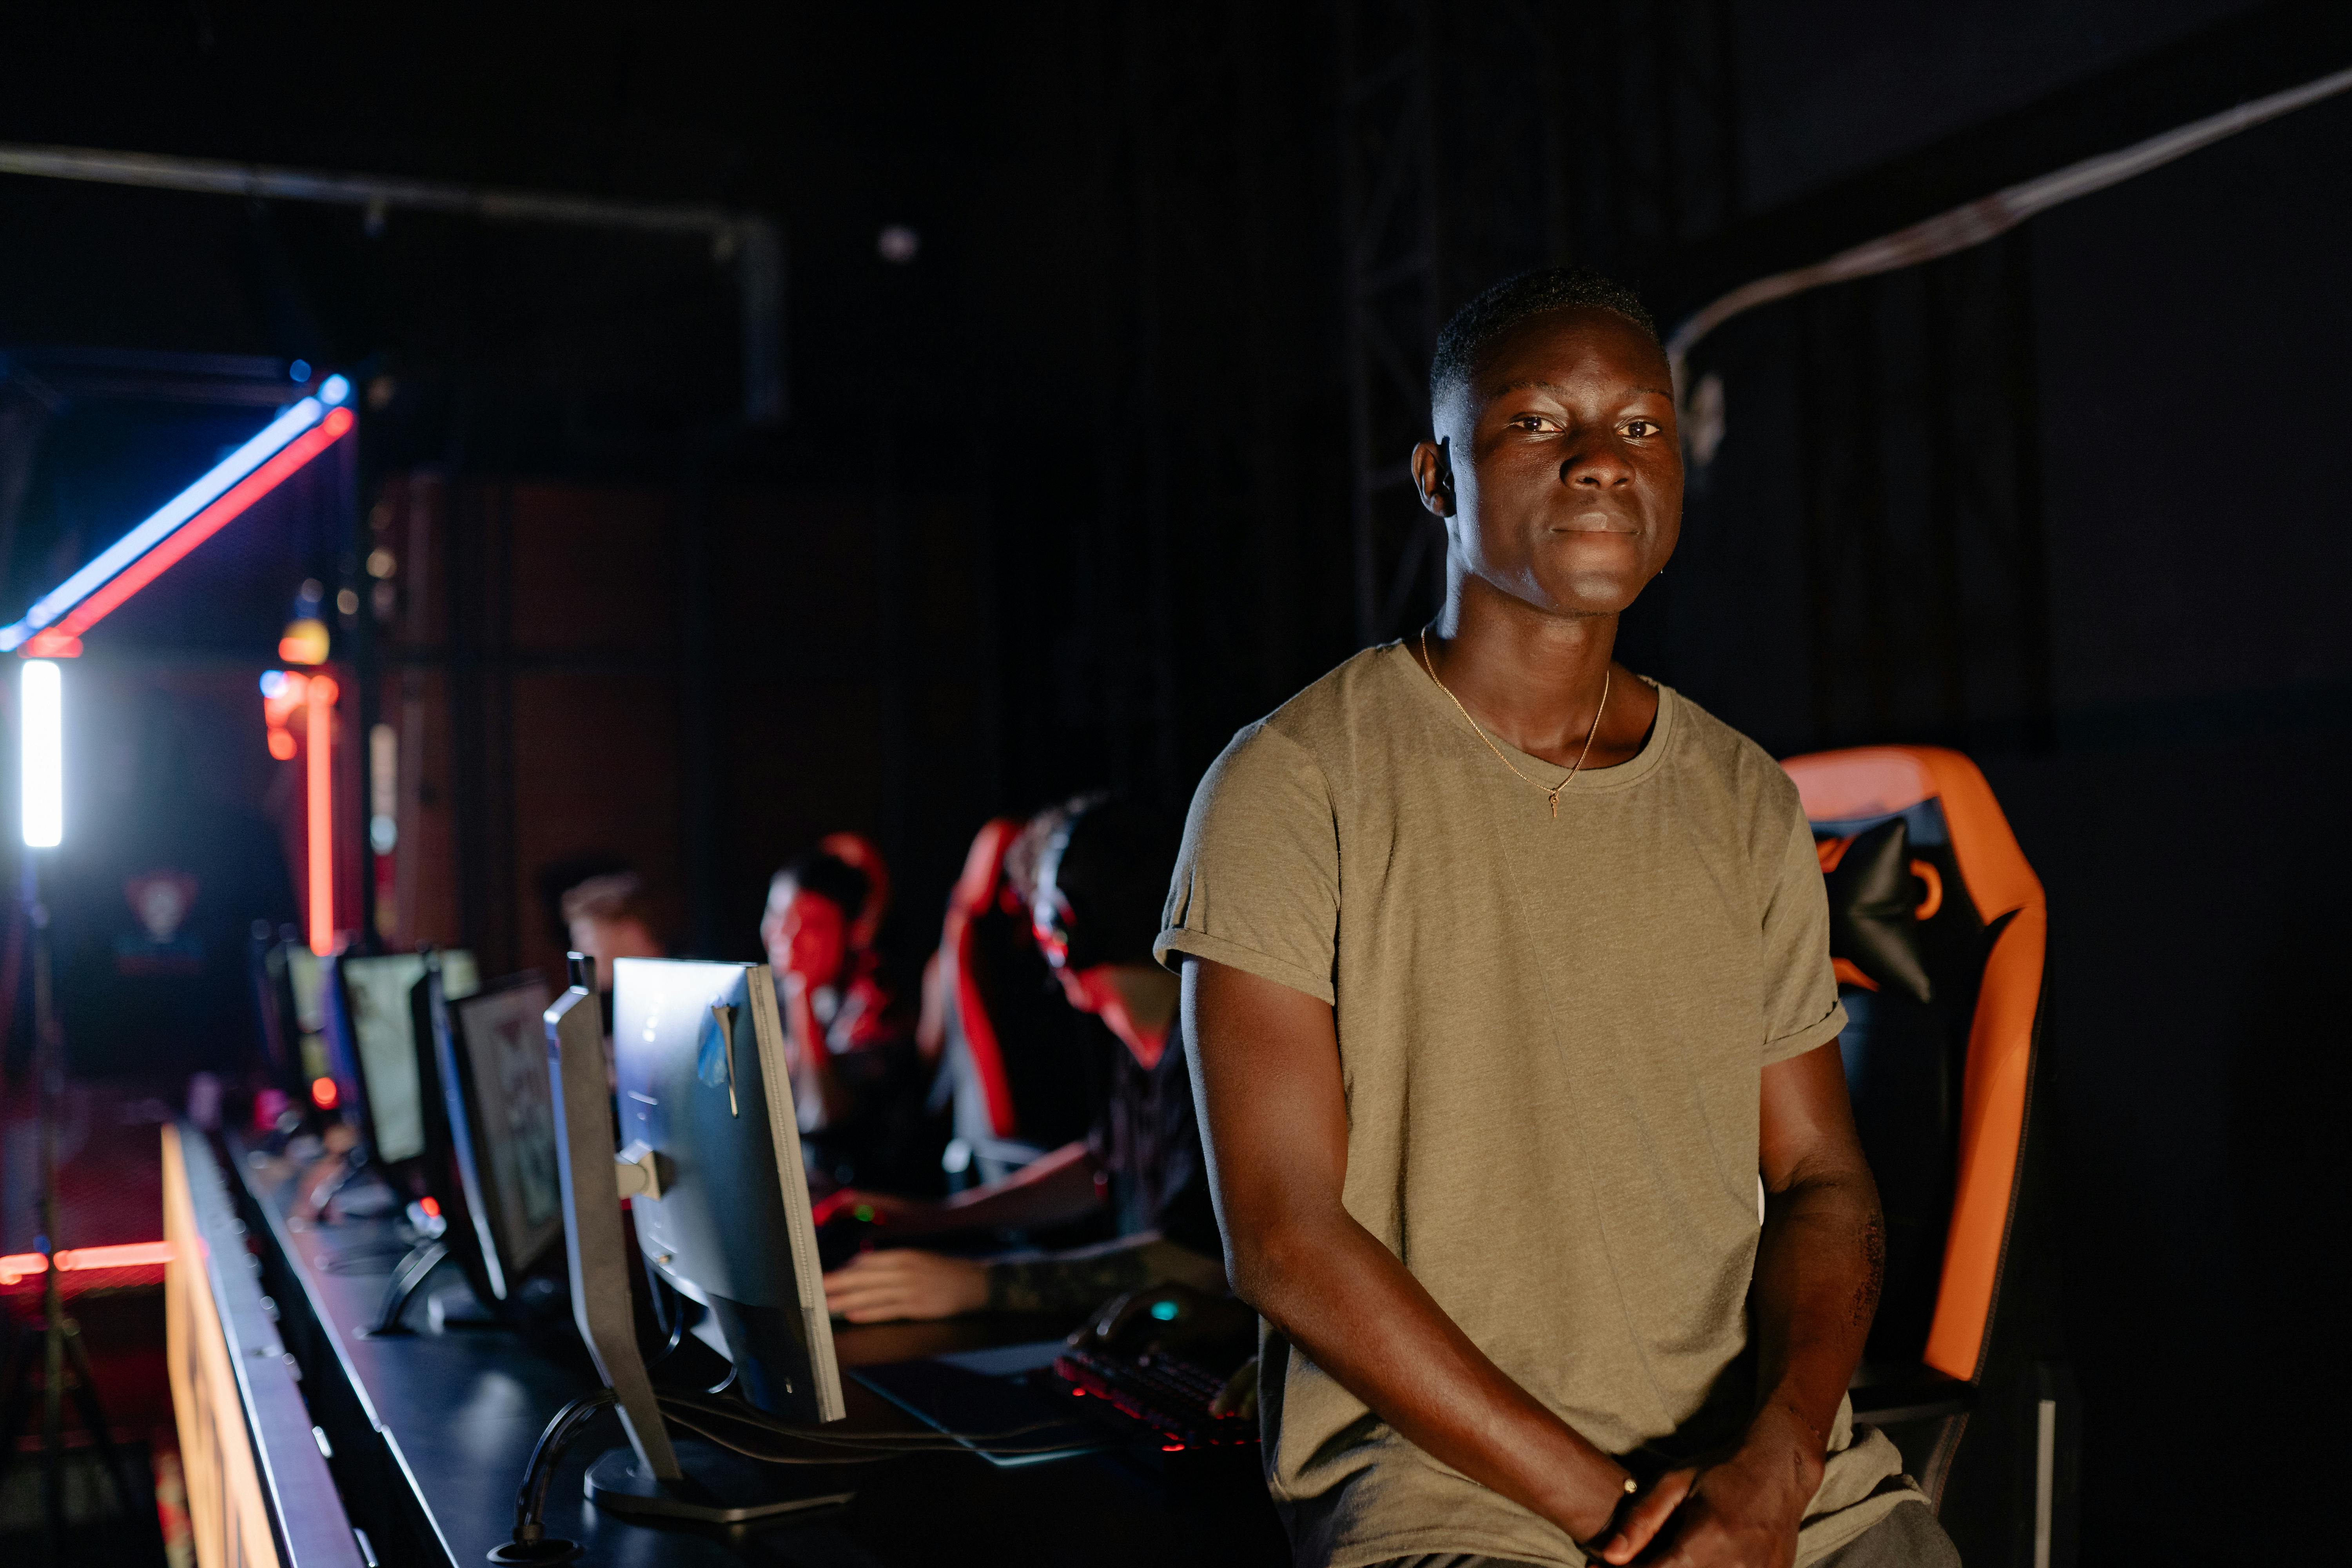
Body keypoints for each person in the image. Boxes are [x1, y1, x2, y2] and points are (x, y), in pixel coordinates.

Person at [1161, 268, 1956, 1568]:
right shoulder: (1294, 780)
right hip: (1457, 1494)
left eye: (1640, 426)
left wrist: (1781, 1459)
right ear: (1436, 477)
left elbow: (1820, 1176)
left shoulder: (1745, 794)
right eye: (1537, 422)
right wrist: (1623, 1520)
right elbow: (1286, 1240)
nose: (1601, 462)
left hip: (1767, 1491)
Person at [817, 796, 1225, 1323]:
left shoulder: (1211, 1057)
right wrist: (934, 1220)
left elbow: (1201, 1261)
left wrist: (980, 1285)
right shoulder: (1146, 1048)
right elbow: (1099, 1165)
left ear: (1058, 934)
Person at [762, 843, 935, 1193]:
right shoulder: (778, 992)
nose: (788, 938)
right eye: (779, 917)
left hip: (872, 1196)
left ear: (853, 931)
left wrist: (801, 998)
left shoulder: (881, 1004)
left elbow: (824, 1118)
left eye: (812, 925)